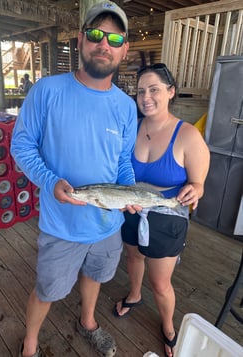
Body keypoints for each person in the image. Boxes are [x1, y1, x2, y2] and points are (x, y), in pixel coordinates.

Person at [10, 2, 140, 357]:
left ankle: (87, 323)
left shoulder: (126, 106)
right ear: (82, 40)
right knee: (48, 289)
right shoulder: (47, 90)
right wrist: (50, 181)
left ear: (124, 49)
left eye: (115, 38)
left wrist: (128, 192)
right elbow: (21, 145)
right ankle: (30, 343)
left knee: (95, 276)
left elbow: (123, 162)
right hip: (60, 226)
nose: (105, 44)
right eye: (97, 34)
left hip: (106, 223)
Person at [114, 64, 210, 357]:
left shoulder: (188, 136)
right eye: (141, 91)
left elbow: (198, 184)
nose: (146, 97)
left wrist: (197, 188)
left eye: (154, 89)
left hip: (167, 220)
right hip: (130, 209)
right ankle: (134, 293)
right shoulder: (131, 127)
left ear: (170, 92)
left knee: (160, 282)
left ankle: (168, 326)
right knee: (132, 256)